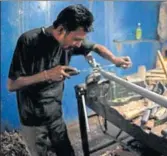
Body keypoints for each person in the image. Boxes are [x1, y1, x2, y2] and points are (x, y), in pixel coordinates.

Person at [7, 4, 132, 156]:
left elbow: (96, 47)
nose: (79, 45)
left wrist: (115, 59)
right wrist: (47, 75)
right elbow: (12, 85)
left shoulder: (71, 41)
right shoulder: (28, 41)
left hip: (56, 116)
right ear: (60, 30)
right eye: (76, 40)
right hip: (33, 120)